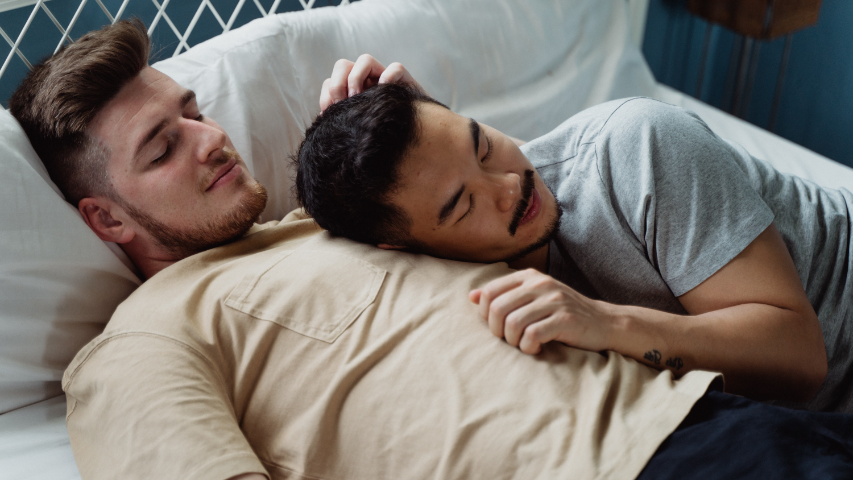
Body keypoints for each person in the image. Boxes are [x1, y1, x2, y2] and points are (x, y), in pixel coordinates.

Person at [11, 19, 853, 480]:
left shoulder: (322, 217)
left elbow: (503, 197)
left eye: (194, 110)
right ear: (108, 220)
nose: (209, 140)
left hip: (703, 411)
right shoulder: (144, 339)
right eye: (162, 149)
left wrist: (420, 130)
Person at [295, 82, 853, 413]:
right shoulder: (421, 281)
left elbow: (802, 358)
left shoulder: (638, 145)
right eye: (464, 205)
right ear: (402, 248)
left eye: (484, 145)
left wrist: (608, 323)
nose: (511, 186)